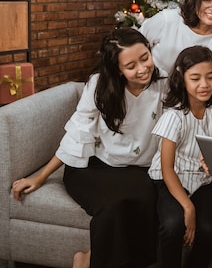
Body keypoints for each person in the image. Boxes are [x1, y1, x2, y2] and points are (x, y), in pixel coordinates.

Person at [10, 28, 168, 268]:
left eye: (145, 57)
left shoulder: (163, 84)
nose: (143, 68)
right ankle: (88, 261)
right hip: (92, 166)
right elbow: (77, 133)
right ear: (117, 69)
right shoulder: (99, 86)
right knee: (112, 206)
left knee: (143, 200)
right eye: (131, 65)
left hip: (138, 169)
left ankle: (89, 259)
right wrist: (41, 177)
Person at [148, 46, 212, 268]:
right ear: (182, 79)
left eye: (210, 77)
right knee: (173, 224)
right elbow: (166, 169)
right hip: (170, 179)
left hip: (200, 180)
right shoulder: (174, 116)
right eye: (195, 78)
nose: (204, 85)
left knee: (211, 230)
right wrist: (188, 207)